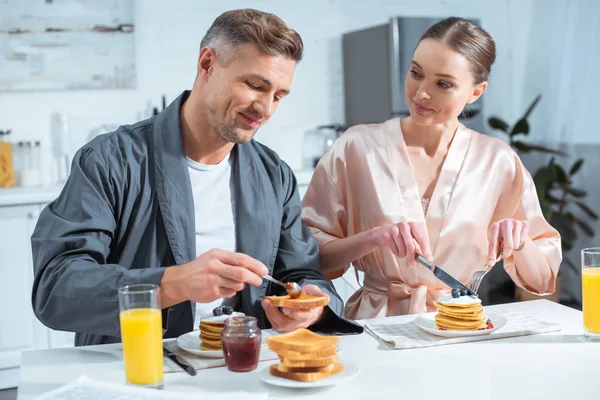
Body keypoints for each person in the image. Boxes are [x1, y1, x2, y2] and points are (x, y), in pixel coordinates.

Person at [31, 9, 362, 346]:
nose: (266, 109)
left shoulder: (273, 174)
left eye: (278, 96)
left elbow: (303, 273)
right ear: (207, 64)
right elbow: (55, 288)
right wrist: (173, 283)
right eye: (254, 85)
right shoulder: (109, 160)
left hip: (243, 368)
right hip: (137, 369)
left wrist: (312, 307)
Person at [301, 17, 562, 320]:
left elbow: (541, 281)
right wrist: (371, 239)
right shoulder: (356, 148)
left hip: (458, 326)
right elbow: (311, 259)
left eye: (443, 84)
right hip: (374, 329)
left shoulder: (497, 161)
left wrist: (521, 242)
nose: (421, 93)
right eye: (415, 73)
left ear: (475, 92)